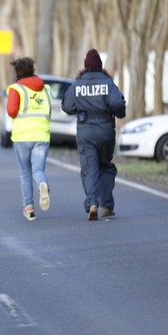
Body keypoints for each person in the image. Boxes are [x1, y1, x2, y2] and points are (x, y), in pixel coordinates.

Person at [62, 48, 126, 221]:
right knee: (105, 166)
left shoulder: (78, 84)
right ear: (100, 66)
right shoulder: (107, 82)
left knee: (90, 168)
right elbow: (118, 104)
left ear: (85, 66)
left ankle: (92, 204)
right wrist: (119, 113)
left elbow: (67, 107)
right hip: (105, 130)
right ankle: (106, 205)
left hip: (85, 132)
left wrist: (81, 109)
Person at [6, 57, 52, 222]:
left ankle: (29, 208)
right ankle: (42, 183)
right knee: (37, 170)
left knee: (25, 172)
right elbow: (49, 110)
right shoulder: (45, 89)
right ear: (32, 70)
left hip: (23, 136)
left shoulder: (16, 89)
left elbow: (11, 111)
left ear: (17, 72)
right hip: (42, 135)